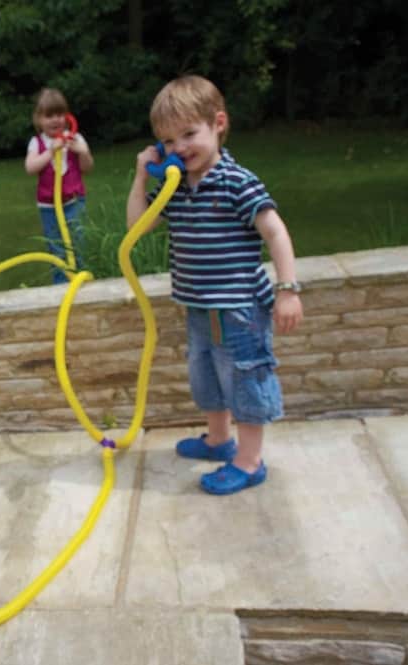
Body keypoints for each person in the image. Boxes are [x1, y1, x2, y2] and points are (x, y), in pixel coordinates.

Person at [125, 75, 304, 495]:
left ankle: (250, 461)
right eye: (168, 141)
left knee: (244, 379)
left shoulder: (236, 181)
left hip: (239, 309)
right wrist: (141, 177)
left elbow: (275, 231)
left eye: (189, 134)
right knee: (206, 375)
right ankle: (220, 440)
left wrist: (288, 289)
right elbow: (137, 226)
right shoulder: (175, 186)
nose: (179, 147)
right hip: (198, 307)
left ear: (218, 123)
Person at [24, 87, 94, 284]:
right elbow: (30, 167)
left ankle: (81, 280)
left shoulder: (75, 139)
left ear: (67, 116)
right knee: (56, 247)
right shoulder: (37, 142)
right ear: (39, 119)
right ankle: (61, 285)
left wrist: (83, 152)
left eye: (59, 114)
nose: (55, 120)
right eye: (49, 115)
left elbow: (87, 168)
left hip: (74, 202)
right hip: (49, 207)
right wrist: (50, 151)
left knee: (77, 243)